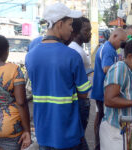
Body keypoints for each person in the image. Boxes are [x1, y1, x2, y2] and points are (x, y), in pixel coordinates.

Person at [25, 3, 91, 150]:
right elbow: (84, 93)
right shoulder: (72, 56)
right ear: (59, 24)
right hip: (68, 132)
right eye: (70, 24)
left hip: (44, 132)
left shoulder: (30, 56)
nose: (72, 29)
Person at [91, 28, 127, 150]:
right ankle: (99, 144)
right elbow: (106, 68)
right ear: (114, 36)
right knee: (102, 118)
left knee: (100, 116)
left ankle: (99, 143)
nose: (122, 44)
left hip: (102, 91)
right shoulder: (108, 49)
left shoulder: (110, 49)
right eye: (121, 41)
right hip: (103, 92)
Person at [68, 16, 92, 150]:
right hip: (79, 99)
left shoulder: (78, 49)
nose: (89, 33)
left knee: (80, 137)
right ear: (76, 31)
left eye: (90, 30)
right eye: (86, 30)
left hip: (81, 99)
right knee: (79, 138)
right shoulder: (75, 50)